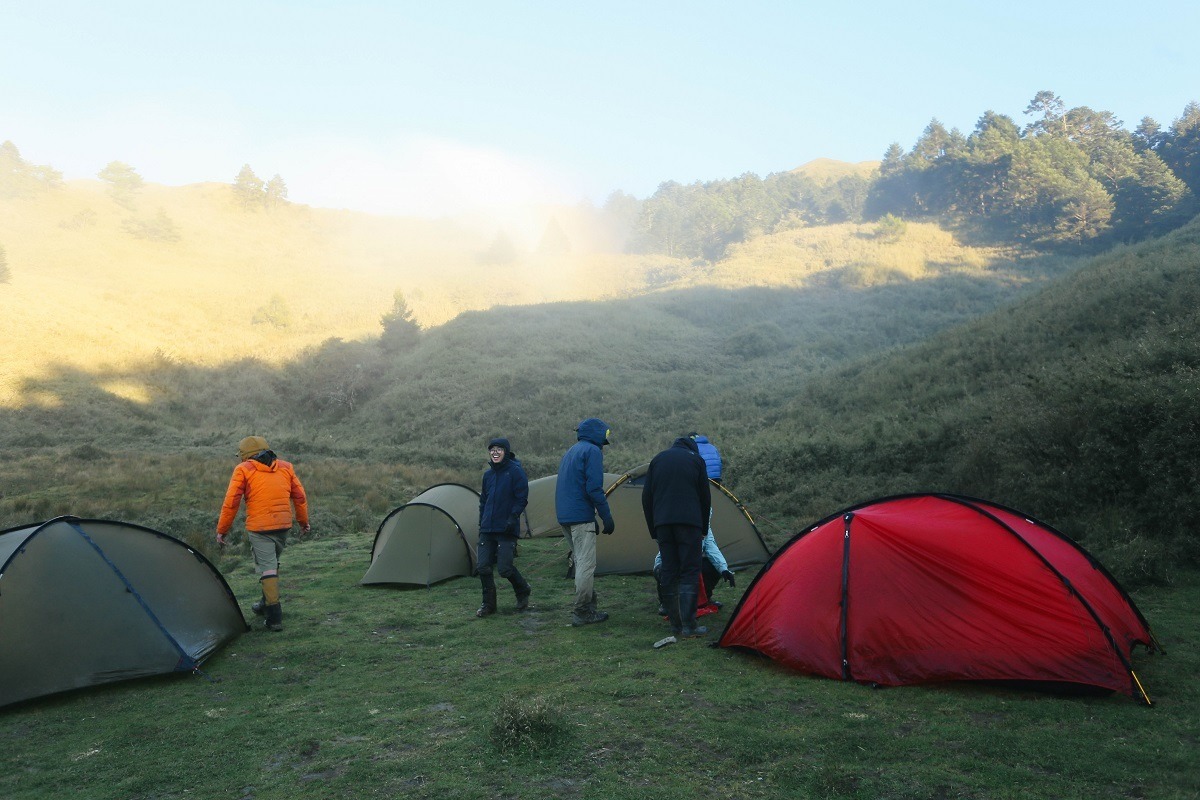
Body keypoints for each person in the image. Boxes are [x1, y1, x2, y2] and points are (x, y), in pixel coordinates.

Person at [216, 436, 310, 632]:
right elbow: (300, 497)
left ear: (245, 455)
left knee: (267, 569)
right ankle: (264, 603)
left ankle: (274, 616)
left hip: (260, 529)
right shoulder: (286, 466)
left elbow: (231, 501)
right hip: (283, 525)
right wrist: (303, 522)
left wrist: (222, 530)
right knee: (271, 565)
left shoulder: (243, 469)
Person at [641, 435, 711, 638]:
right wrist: (704, 527)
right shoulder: (696, 460)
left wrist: (654, 529)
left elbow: (647, 497)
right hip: (690, 524)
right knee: (690, 570)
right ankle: (689, 625)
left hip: (663, 523)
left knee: (669, 570)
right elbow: (704, 497)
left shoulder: (658, 459)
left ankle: (675, 626)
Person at [555, 417, 616, 626]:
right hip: (579, 516)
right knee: (586, 565)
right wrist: (605, 516)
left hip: (565, 515)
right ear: (598, 435)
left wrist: (590, 517)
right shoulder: (592, 452)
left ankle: (589, 607)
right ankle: (582, 612)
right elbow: (593, 488)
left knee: (580, 562)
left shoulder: (571, 451)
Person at [475, 437, 532, 617]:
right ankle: (488, 605)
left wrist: (512, 517)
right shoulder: (488, 475)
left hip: (507, 528)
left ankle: (523, 590)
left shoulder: (515, 472)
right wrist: (481, 521)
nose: (495, 452)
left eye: (499, 449)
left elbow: (522, 497)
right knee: (483, 567)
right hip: (487, 528)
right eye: (492, 450)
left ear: (506, 452)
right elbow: (483, 501)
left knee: (505, 569)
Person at [653, 529, 736, 616]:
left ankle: (705, 598)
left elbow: (711, 547)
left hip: (692, 562)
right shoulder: (674, 522)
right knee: (665, 570)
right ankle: (667, 603)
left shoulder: (705, 526)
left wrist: (723, 569)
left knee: (711, 567)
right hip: (670, 562)